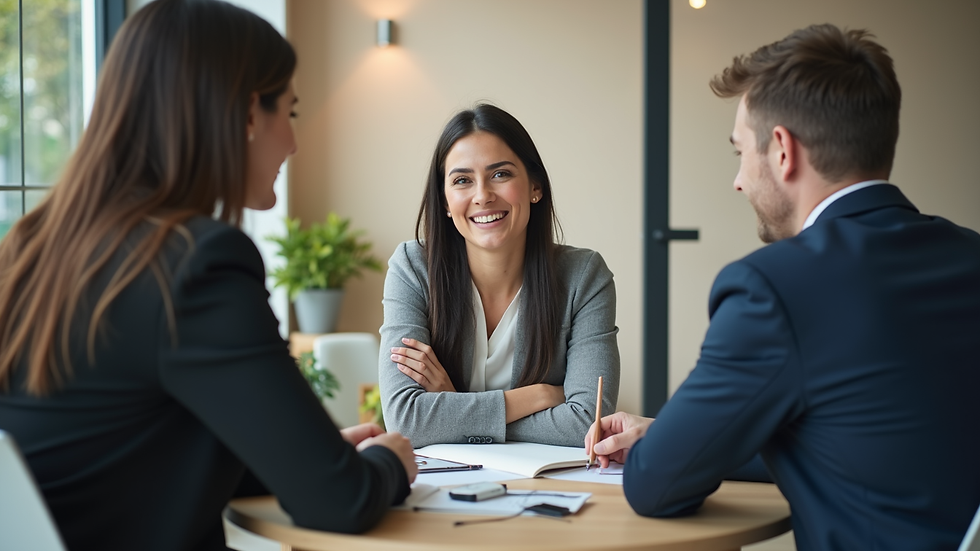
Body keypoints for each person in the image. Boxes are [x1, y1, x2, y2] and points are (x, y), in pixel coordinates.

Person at [0, 1, 416, 550]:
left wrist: (302, 454)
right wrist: (391, 458)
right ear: (247, 114)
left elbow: (122, 447)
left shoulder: (33, 246)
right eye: (289, 112)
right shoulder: (195, 264)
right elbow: (339, 502)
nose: (293, 143)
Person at [586, 24, 980, 551]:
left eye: (739, 153)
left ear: (782, 150)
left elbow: (656, 485)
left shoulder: (772, 286)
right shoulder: (969, 255)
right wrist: (670, 433)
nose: (739, 180)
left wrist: (672, 448)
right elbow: (870, 439)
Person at [379, 104, 620, 448]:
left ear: (535, 186)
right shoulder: (413, 267)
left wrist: (453, 405)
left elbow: (586, 421)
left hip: (545, 486)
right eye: (462, 180)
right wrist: (536, 397)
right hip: (443, 486)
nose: (482, 196)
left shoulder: (584, 276)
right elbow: (406, 420)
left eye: (500, 174)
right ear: (445, 201)